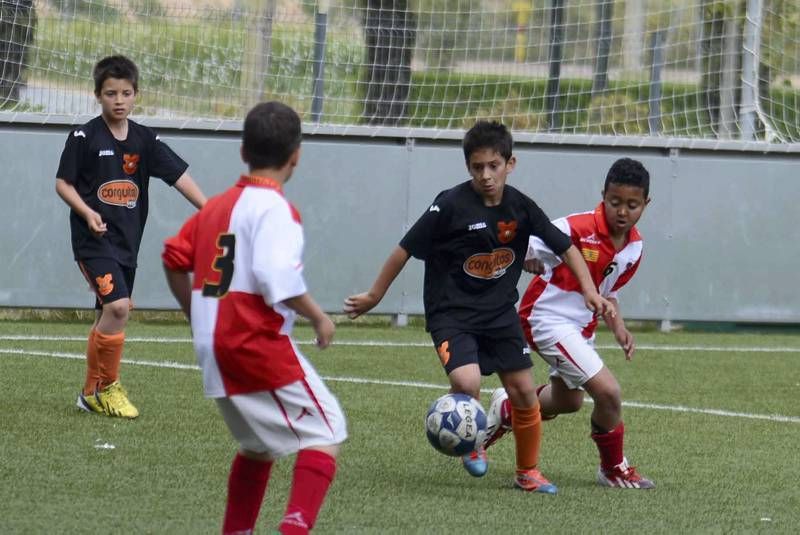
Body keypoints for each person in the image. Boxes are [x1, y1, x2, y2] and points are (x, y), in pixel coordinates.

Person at [344, 120, 612, 494]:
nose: (486, 175)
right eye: (477, 167)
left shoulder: (521, 206)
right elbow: (403, 250)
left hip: (499, 313)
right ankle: (471, 441)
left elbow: (566, 246)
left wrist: (589, 289)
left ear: (510, 164)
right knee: (466, 382)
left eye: (494, 166)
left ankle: (528, 472)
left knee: (521, 390)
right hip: (451, 313)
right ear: (468, 166)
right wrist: (375, 295)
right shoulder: (449, 205)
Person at [162, 101, 347, 534]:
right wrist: (319, 317)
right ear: (296, 155)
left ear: (243, 151)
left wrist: (195, 313)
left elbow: (173, 258)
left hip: (214, 346)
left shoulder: (215, 207)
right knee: (327, 431)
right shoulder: (277, 210)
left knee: (257, 445)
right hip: (252, 342)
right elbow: (272, 275)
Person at [485, 157, 655, 489]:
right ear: (603, 194)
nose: (622, 211)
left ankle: (508, 409)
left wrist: (619, 328)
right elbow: (527, 245)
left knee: (568, 401)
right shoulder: (575, 227)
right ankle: (613, 468)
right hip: (547, 318)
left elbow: (610, 293)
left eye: (632, 205)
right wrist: (529, 258)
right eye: (615, 202)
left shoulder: (634, 248)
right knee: (609, 393)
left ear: (645, 204)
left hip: (581, 328)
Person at [56, 55, 206, 419]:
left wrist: (211, 209)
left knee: (105, 317)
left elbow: (178, 177)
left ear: (136, 94)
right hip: (93, 242)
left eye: (125, 93)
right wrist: (88, 212)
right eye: (110, 94)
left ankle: (88, 394)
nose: (118, 100)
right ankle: (108, 387)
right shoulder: (83, 137)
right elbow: (63, 183)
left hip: (127, 244)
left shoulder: (144, 140)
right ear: (98, 96)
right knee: (119, 308)